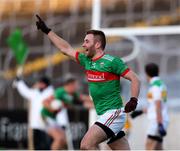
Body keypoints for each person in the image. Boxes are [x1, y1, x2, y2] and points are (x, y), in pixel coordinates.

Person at [35, 15, 140, 150]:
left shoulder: (112, 62)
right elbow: (65, 49)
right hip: (103, 114)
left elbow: (135, 78)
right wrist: (47, 31)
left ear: (97, 44)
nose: (83, 45)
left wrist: (133, 100)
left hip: (113, 113)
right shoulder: (87, 61)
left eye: (86, 41)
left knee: (86, 144)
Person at [41, 75, 92, 150]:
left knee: (64, 140)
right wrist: (52, 108)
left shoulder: (73, 94)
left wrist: (97, 101)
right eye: (75, 85)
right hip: (46, 117)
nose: (77, 87)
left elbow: (82, 99)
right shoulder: (60, 92)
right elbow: (44, 102)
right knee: (59, 138)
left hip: (53, 119)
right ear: (70, 85)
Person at [131, 63, 169, 150]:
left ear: (146, 73)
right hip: (160, 119)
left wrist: (159, 124)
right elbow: (155, 105)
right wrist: (140, 112)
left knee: (149, 146)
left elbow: (158, 105)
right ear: (158, 71)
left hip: (156, 121)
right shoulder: (161, 84)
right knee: (158, 148)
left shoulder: (155, 86)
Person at [13, 76, 54, 150]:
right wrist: (20, 83)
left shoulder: (50, 93)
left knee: (46, 145)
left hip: (47, 125)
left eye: (41, 83)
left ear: (45, 85)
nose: (39, 85)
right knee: (37, 146)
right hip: (36, 125)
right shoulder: (36, 93)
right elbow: (26, 92)